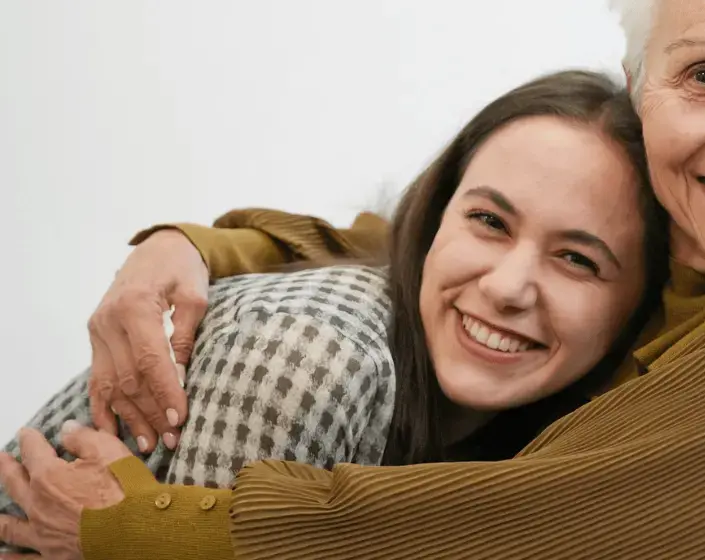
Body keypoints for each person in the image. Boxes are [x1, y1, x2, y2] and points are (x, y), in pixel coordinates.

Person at [0, 0, 705, 558]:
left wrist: (153, 534)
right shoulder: (678, 255)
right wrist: (189, 248)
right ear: (642, 93)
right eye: (704, 74)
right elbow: (410, 238)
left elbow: (545, 531)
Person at [0, 68, 669, 547]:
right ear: (435, 220)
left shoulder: (556, 446)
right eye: (490, 220)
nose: (506, 287)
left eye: (578, 259)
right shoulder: (314, 354)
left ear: (641, 305)